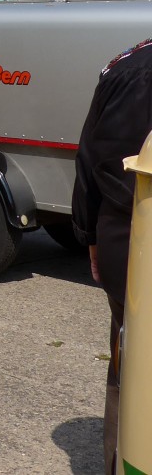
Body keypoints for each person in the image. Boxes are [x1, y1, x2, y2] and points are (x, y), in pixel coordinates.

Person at [72, 36, 152, 474]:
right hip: (140, 246)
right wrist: (91, 236)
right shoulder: (139, 72)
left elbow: (91, 161)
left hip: (128, 239)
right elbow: (109, 169)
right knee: (135, 367)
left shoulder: (130, 63)